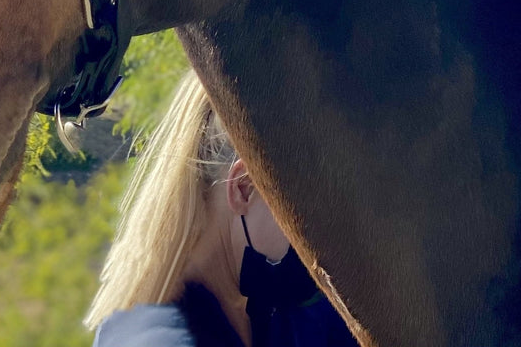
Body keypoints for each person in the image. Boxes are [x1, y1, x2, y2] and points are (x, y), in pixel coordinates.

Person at [86, 71, 356, 347]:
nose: (322, 244)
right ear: (244, 187)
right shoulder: (151, 339)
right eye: (310, 214)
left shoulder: (288, 318)